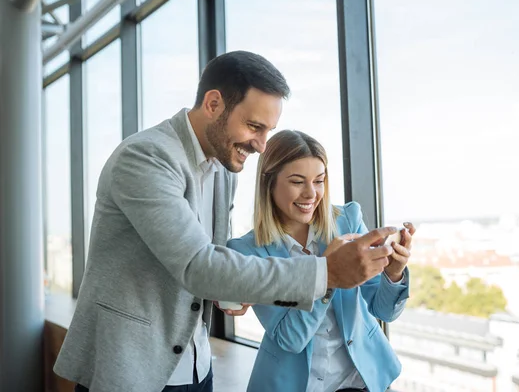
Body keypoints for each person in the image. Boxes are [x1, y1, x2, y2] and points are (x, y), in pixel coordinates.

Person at [53, 51, 398, 392]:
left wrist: (233, 291)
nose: (262, 146)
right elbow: (199, 266)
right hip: (133, 368)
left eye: (269, 130)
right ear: (214, 104)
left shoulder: (222, 169)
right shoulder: (146, 158)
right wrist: (328, 273)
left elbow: (211, 256)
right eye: (253, 126)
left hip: (197, 367)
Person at [227, 130, 414, 392]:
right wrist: (326, 274)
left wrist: (393, 274)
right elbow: (290, 338)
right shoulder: (248, 252)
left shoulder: (347, 220)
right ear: (268, 182)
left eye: (319, 181)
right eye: (297, 182)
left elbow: (384, 311)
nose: (311, 194)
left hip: (363, 380)